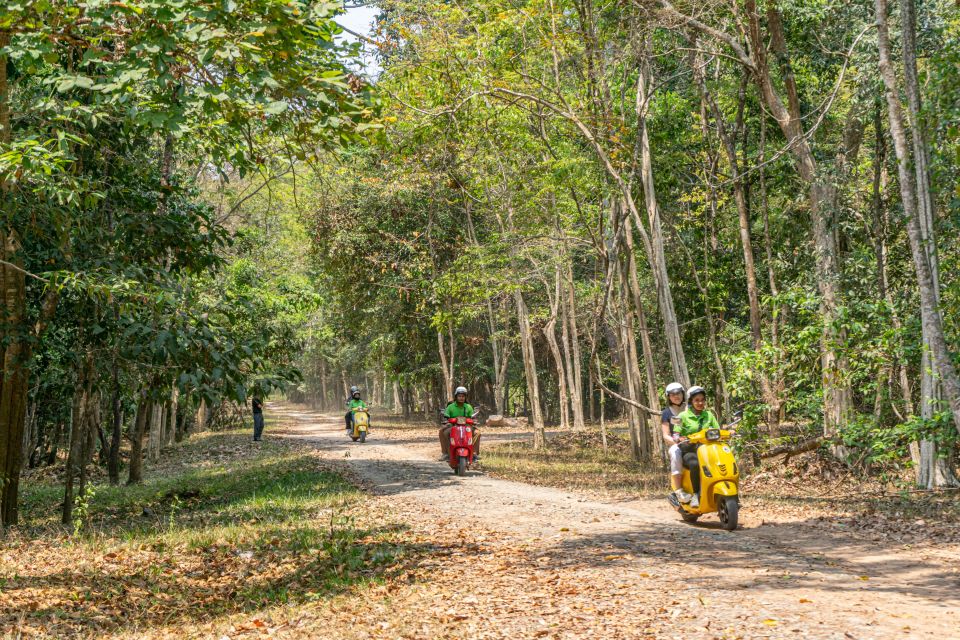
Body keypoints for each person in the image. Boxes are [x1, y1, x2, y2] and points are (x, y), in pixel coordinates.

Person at [674, 386, 721, 508]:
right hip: (689, 450)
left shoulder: (709, 415)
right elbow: (675, 433)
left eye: (702, 400)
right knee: (695, 464)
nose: (700, 403)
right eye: (697, 400)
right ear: (691, 401)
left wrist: (729, 431)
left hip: (708, 449)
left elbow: (717, 429)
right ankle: (696, 494)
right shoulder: (681, 416)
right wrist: (679, 438)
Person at [660, 382, 692, 504]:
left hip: (695, 441)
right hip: (678, 444)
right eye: (672, 394)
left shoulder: (691, 408)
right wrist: (676, 442)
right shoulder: (667, 413)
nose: (676, 396)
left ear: (683, 394)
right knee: (675, 453)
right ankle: (679, 490)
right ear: (668, 397)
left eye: (678, 393)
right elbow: (666, 435)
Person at [439, 386, 481, 461]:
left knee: (477, 433)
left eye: (463, 396)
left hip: (467, 425)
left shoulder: (468, 407)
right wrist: (447, 418)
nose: (461, 398)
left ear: (465, 397)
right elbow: (446, 415)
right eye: (459, 396)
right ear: (456, 397)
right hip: (453, 425)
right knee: (443, 431)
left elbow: (472, 417)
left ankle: (474, 453)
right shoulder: (450, 407)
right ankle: (445, 453)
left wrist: (473, 420)